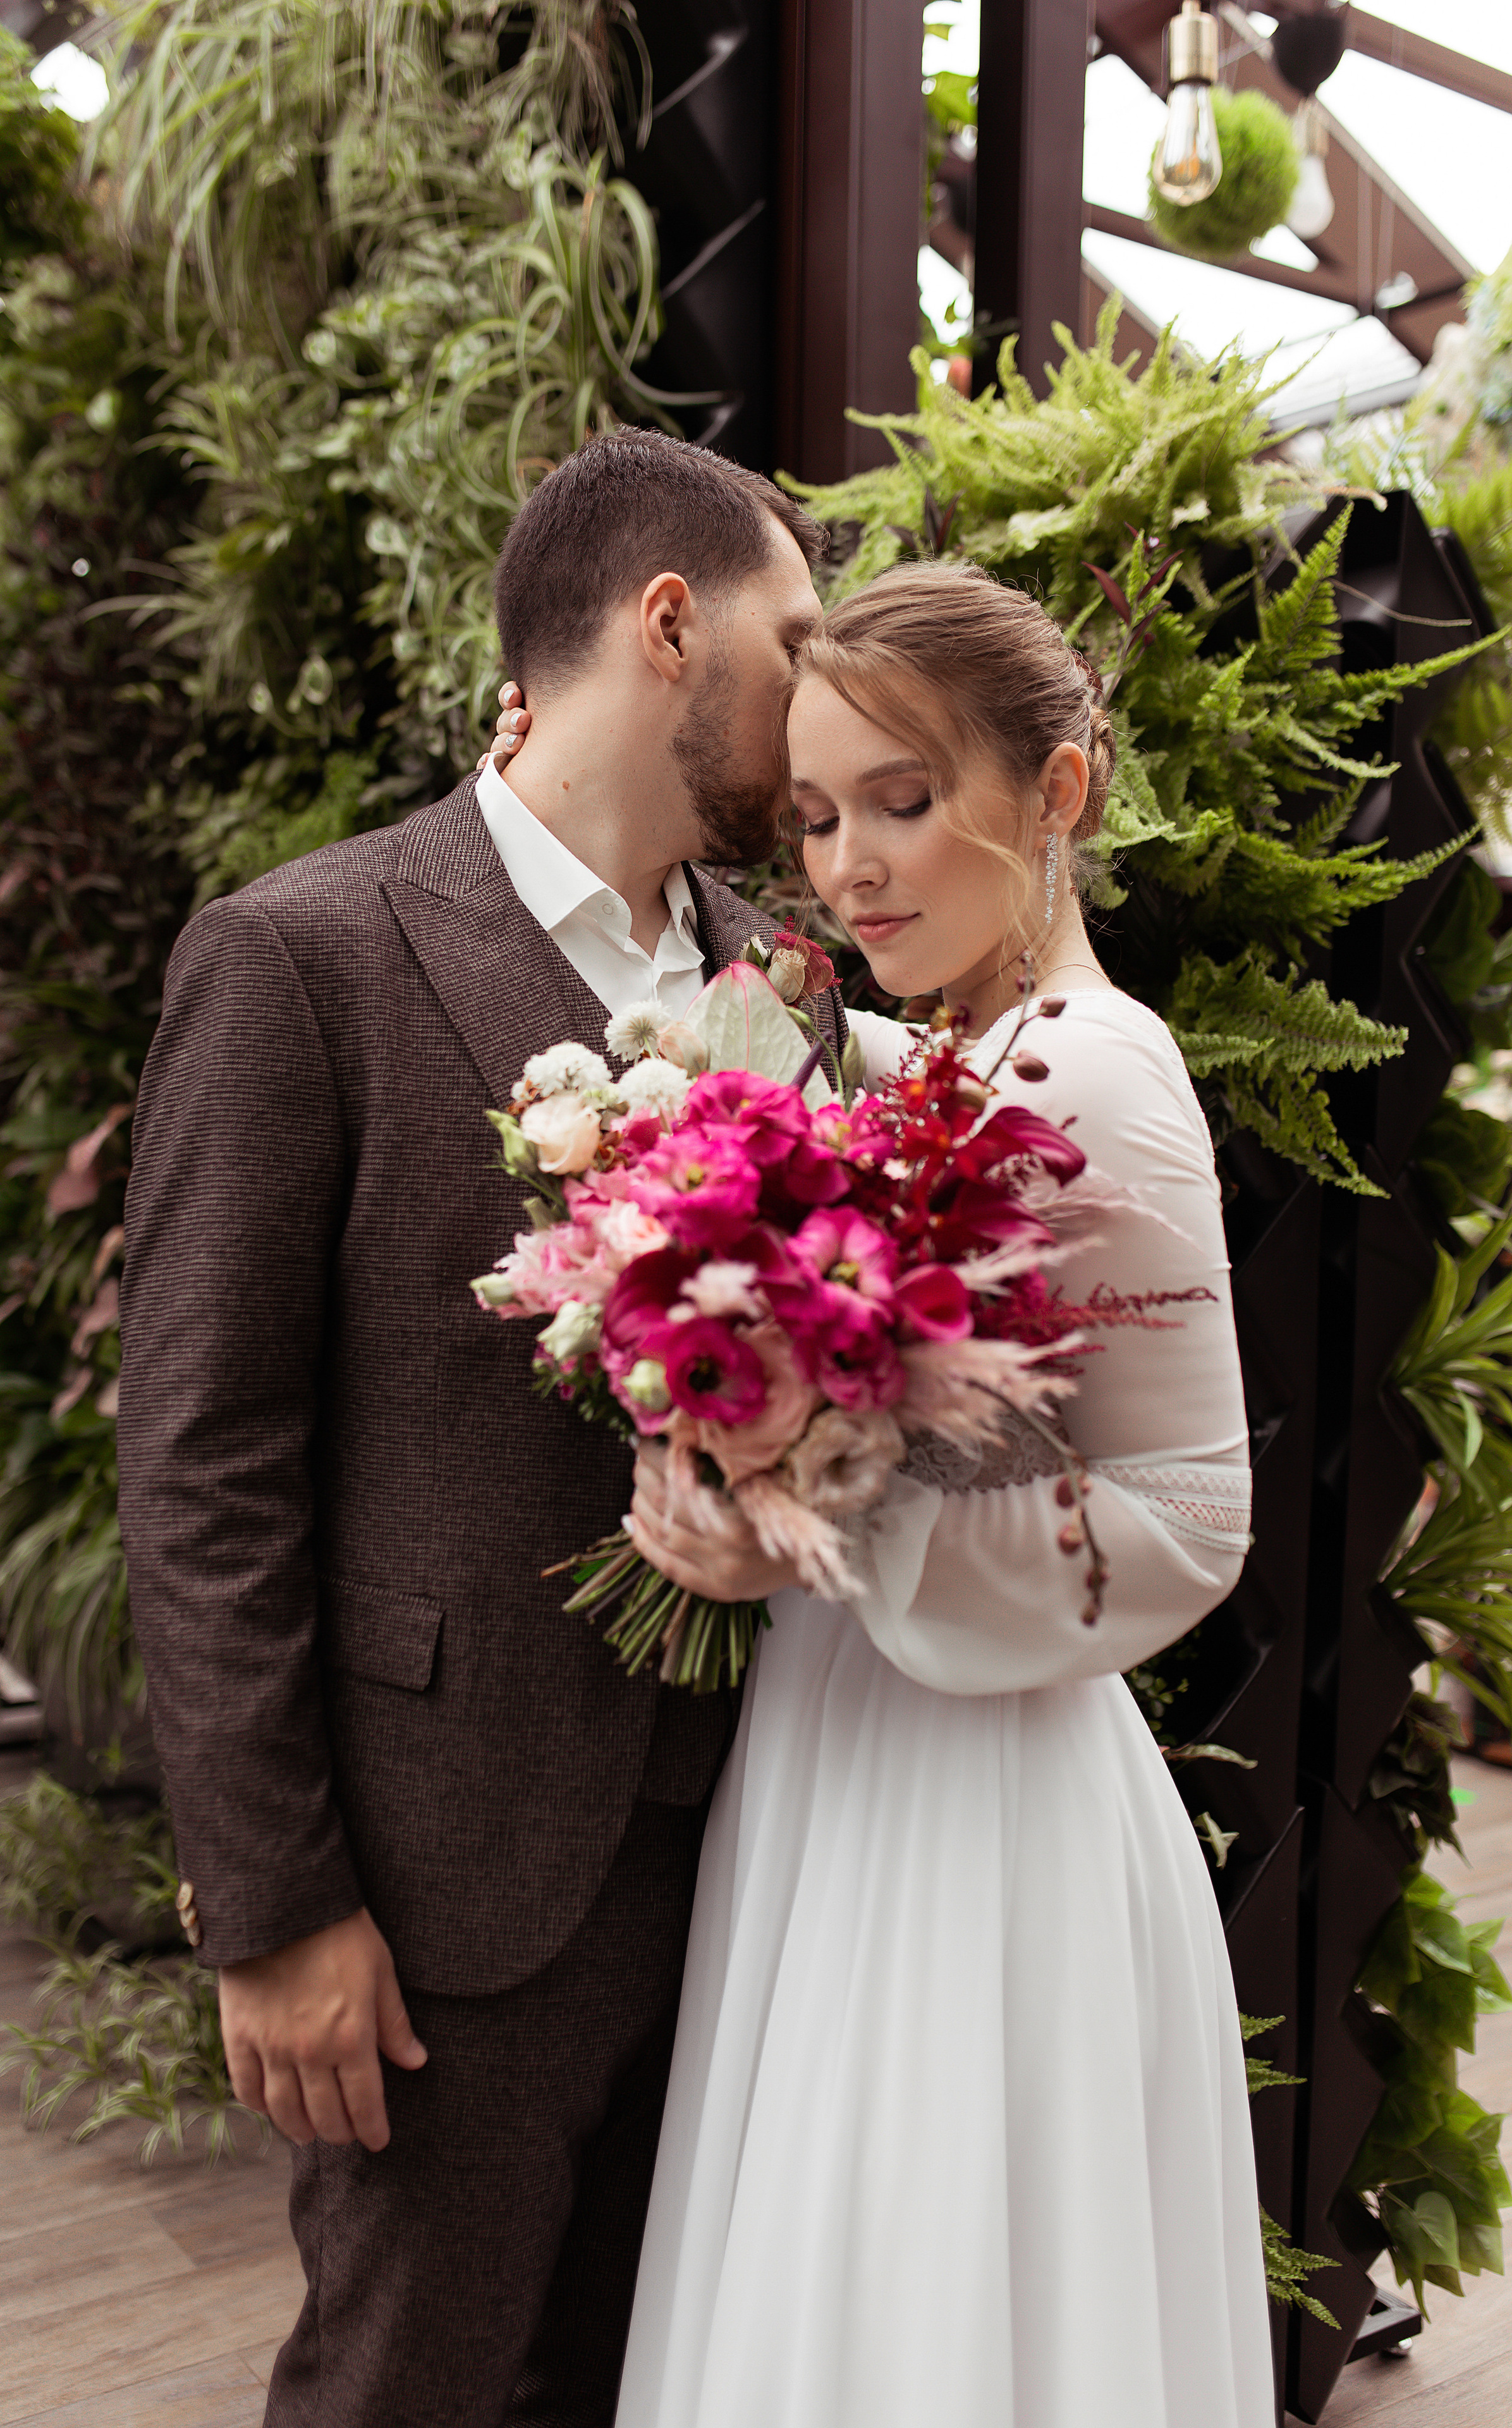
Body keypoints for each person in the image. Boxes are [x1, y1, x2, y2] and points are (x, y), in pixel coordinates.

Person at [116, 427, 846, 2428]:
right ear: (669, 626)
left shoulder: (794, 991)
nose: (828, 686)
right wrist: (270, 1911)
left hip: (766, 1861)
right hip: (439, 1899)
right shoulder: (303, 957)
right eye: (799, 636)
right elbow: (199, 1465)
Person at [593, 563, 1276, 2426]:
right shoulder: (949, 1058)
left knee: (926, 2302)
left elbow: (1194, 1505)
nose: (851, 865)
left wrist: (826, 1531)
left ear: (1058, 791)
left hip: (981, 1792)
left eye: (904, 801)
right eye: (817, 817)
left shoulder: (1094, 1077)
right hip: (856, 1752)